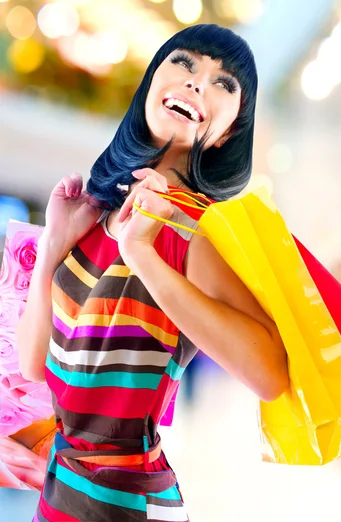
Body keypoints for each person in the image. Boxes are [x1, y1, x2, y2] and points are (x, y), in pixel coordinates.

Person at [16, 24, 289, 522]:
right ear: (150, 84)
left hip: (125, 499)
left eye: (223, 84)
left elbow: (270, 374)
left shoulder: (196, 229)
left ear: (229, 129)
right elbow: (35, 365)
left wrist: (141, 251)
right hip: (62, 487)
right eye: (184, 64)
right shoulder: (98, 215)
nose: (197, 84)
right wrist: (54, 243)